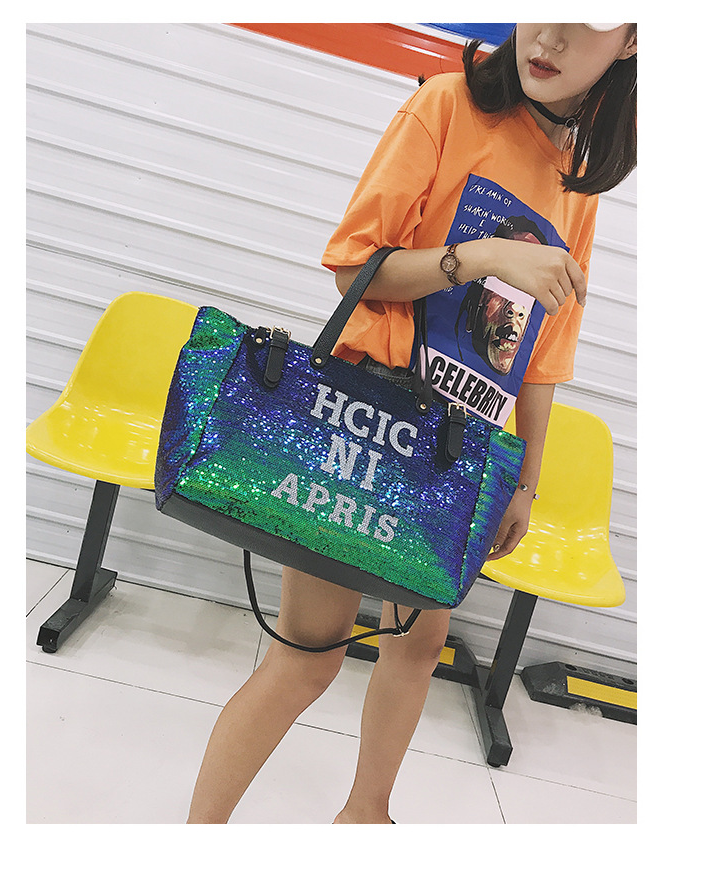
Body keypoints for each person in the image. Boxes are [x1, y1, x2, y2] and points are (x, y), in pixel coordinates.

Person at [186, 23, 637, 824]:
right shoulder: (446, 106)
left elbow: (541, 354)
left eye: (588, 19)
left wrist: (523, 480)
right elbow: (353, 267)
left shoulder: (578, 180)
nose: (552, 34)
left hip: (458, 447)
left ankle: (366, 815)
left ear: (631, 41)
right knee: (308, 657)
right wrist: (483, 256)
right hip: (364, 414)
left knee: (420, 647)